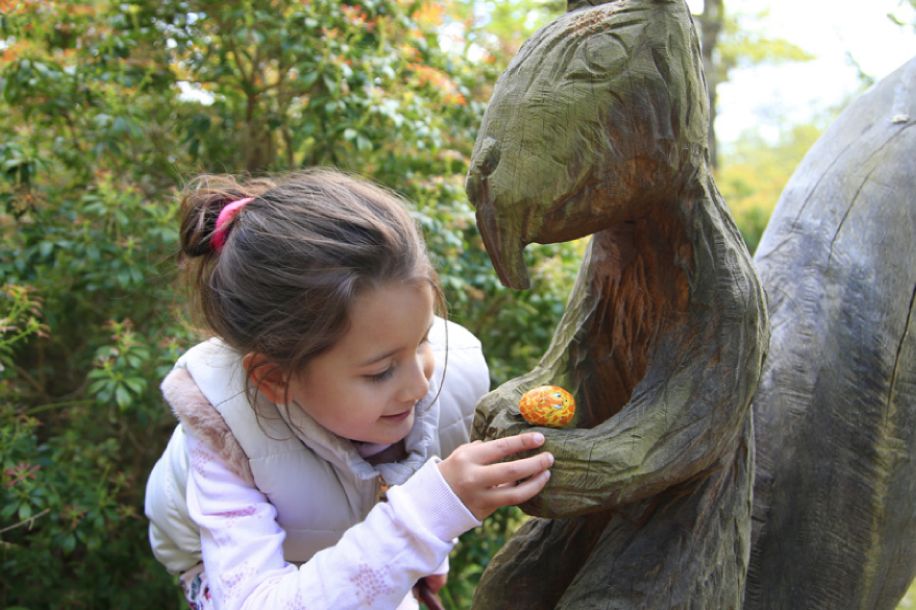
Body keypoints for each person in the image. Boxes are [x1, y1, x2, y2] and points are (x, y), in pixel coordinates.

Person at [144, 169, 554, 610]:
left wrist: (428, 547)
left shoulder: (452, 377)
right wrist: (426, 517)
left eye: (422, 342)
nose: (418, 386)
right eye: (380, 373)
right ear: (275, 378)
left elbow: (417, 490)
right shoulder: (225, 437)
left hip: (362, 547)